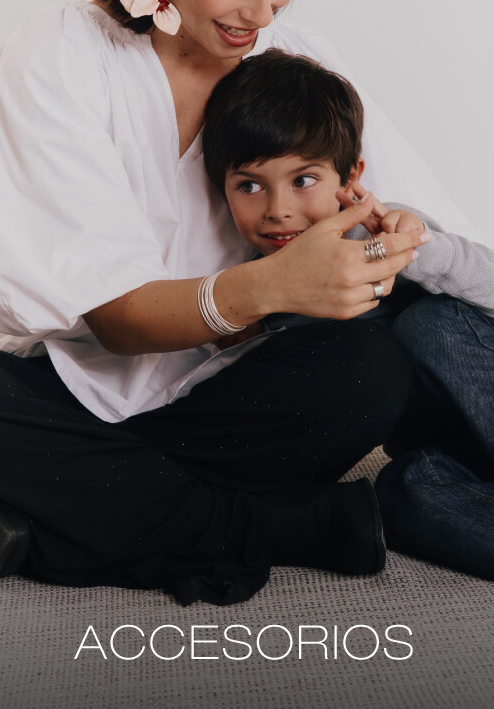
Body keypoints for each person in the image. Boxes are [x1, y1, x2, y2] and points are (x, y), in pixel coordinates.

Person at [0, 0, 464, 605]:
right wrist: (275, 285)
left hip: (226, 400)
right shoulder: (60, 54)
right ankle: (275, 527)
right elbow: (114, 318)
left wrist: (388, 242)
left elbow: (441, 235)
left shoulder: (297, 64)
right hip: (60, 388)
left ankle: (55, 518)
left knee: (370, 368)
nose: (263, 12)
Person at [202, 48, 494, 579]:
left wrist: (423, 251)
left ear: (350, 175)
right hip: (462, 457)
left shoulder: (387, 231)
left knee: (428, 325)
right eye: (249, 185)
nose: (278, 208)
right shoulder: (258, 289)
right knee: (402, 491)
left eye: (304, 180)